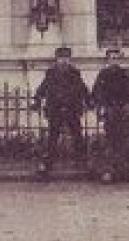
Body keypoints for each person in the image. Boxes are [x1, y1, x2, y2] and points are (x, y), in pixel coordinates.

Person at [32, 47, 91, 177]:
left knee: (77, 134)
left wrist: (89, 101)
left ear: (69, 60)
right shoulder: (51, 73)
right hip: (55, 109)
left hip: (72, 109)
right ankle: (48, 163)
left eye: (66, 58)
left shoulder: (75, 73)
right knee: (53, 137)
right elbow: (43, 87)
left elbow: (82, 88)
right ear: (57, 60)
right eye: (61, 58)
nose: (63, 61)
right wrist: (37, 100)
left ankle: (81, 161)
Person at [92, 46, 129, 183]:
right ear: (107, 60)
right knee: (110, 141)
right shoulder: (103, 74)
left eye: (117, 58)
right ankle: (108, 171)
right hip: (110, 110)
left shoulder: (126, 74)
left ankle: (127, 170)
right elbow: (97, 92)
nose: (114, 61)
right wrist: (102, 107)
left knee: (125, 140)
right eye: (112, 58)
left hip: (123, 110)